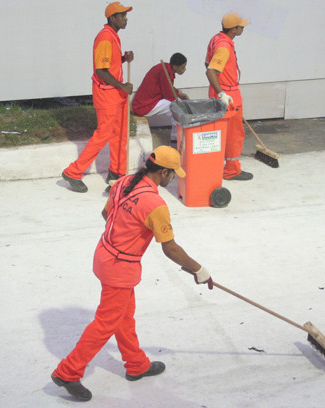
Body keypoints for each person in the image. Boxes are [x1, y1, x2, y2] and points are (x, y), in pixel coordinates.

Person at [51, 146, 214, 401]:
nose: (173, 179)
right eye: (173, 174)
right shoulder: (155, 203)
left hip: (105, 254)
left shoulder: (124, 181)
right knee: (106, 323)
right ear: (163, 172)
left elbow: (106, 214)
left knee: (124, 317)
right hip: (119, 268)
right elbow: (170, 248)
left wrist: (124, 234)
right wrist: (199, 270)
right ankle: (68, 372)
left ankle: (136, 364)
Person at [62, 2, 134, 193]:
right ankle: (73, 172)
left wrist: (123, 58)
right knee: (103, 134)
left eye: (126, 15)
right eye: (122, 15)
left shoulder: (113, 36)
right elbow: (101, 70)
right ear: (112, 18)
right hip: (108, 93)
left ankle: (117, 173)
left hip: (116, 93)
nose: (126, 19)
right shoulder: (104, 37)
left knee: (120, 134)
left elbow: (109, 64)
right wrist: (122, 85)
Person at [205, 13, 253, 181]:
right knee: (234, 134)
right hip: (228, 94)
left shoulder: (216, 39)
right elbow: (210, 70)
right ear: (233, 29)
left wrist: (217, 91)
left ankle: (214, 166)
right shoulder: (224, 47)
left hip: (218, 91)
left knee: (218, 132)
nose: (243, 28)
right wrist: (223, 94)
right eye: (241, 26)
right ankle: (232, 171)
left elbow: (207, 63)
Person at [132, 53, 189, 144]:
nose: (184, 70)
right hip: (144, 106)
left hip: (144, 102)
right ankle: (175, 137)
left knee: (177, 104)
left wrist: (179, 93)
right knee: (177, 107)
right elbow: (168, 94)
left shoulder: (166, 68)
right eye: (183, 67)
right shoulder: (164, 71)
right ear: (175, 66)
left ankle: (176, 135)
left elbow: (168, 88)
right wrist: (179, 94)